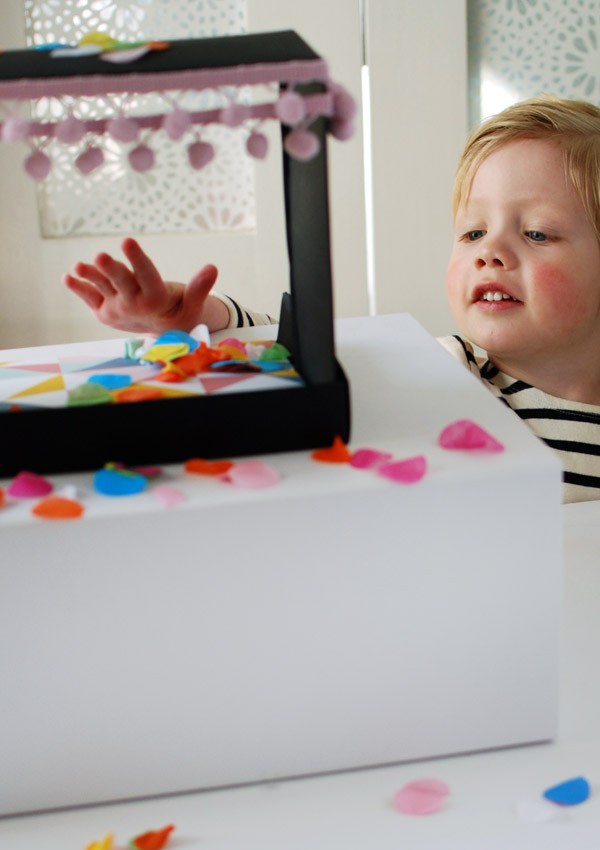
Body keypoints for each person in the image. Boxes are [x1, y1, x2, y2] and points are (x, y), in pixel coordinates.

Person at [64, 95, 600, 503]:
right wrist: (201, 320)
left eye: (537, 233)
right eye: (472, 233)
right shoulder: (443, 368)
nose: (490, 254)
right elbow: (309, 349)